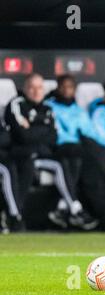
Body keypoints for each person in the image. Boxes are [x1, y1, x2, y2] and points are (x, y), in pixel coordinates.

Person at [4, 73, 98, 231]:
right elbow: (22, 135)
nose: (36, 91)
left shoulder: (47, 108)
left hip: (39, 154)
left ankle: (72, 209)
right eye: (32, 87)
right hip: (20, 154)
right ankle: (15, 216)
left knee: (65, 162)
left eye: (39, 87)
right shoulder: (17, 104)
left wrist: (33, 128)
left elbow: (53, 137)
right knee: (24, 164)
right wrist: (41, 129)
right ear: (25, 88)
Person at [44, 74, 99, 229]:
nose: (67, 90)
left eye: (70, 87)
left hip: (75, 151)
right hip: (56, 147)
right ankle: (74, 209)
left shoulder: (78, 110)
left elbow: (88, 131)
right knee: (73, 155)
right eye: (63, 87)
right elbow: (53, 131)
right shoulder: (49, 106)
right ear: (58, 88)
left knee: (76, 159)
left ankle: (62, 207)